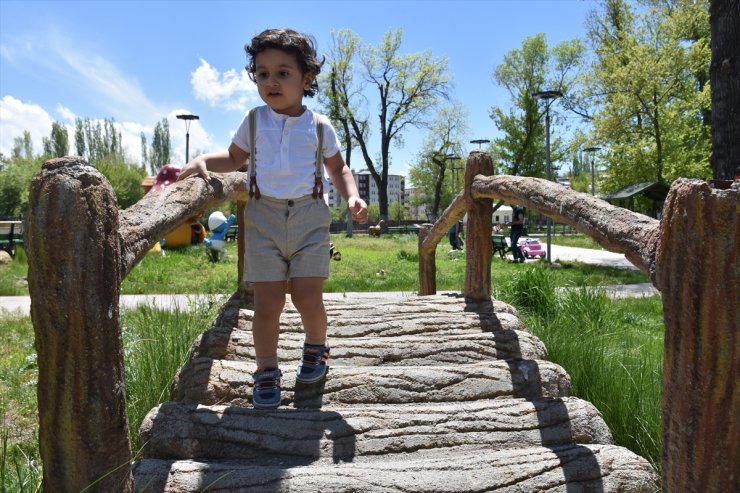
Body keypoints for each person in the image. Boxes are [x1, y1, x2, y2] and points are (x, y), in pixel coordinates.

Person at [177, 28, 368, 409]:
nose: (271, 82)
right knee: (267, 302)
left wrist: (353, 195)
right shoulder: (253, 121)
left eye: (283, 73)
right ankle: (266, 369)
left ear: (306, 79)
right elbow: (233, 159)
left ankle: (316, 346)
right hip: (262, 218)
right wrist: (202, 161)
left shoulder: (319, 126)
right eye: (262, 74)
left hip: (310, 216)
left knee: (306, 296)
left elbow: (338, 168)